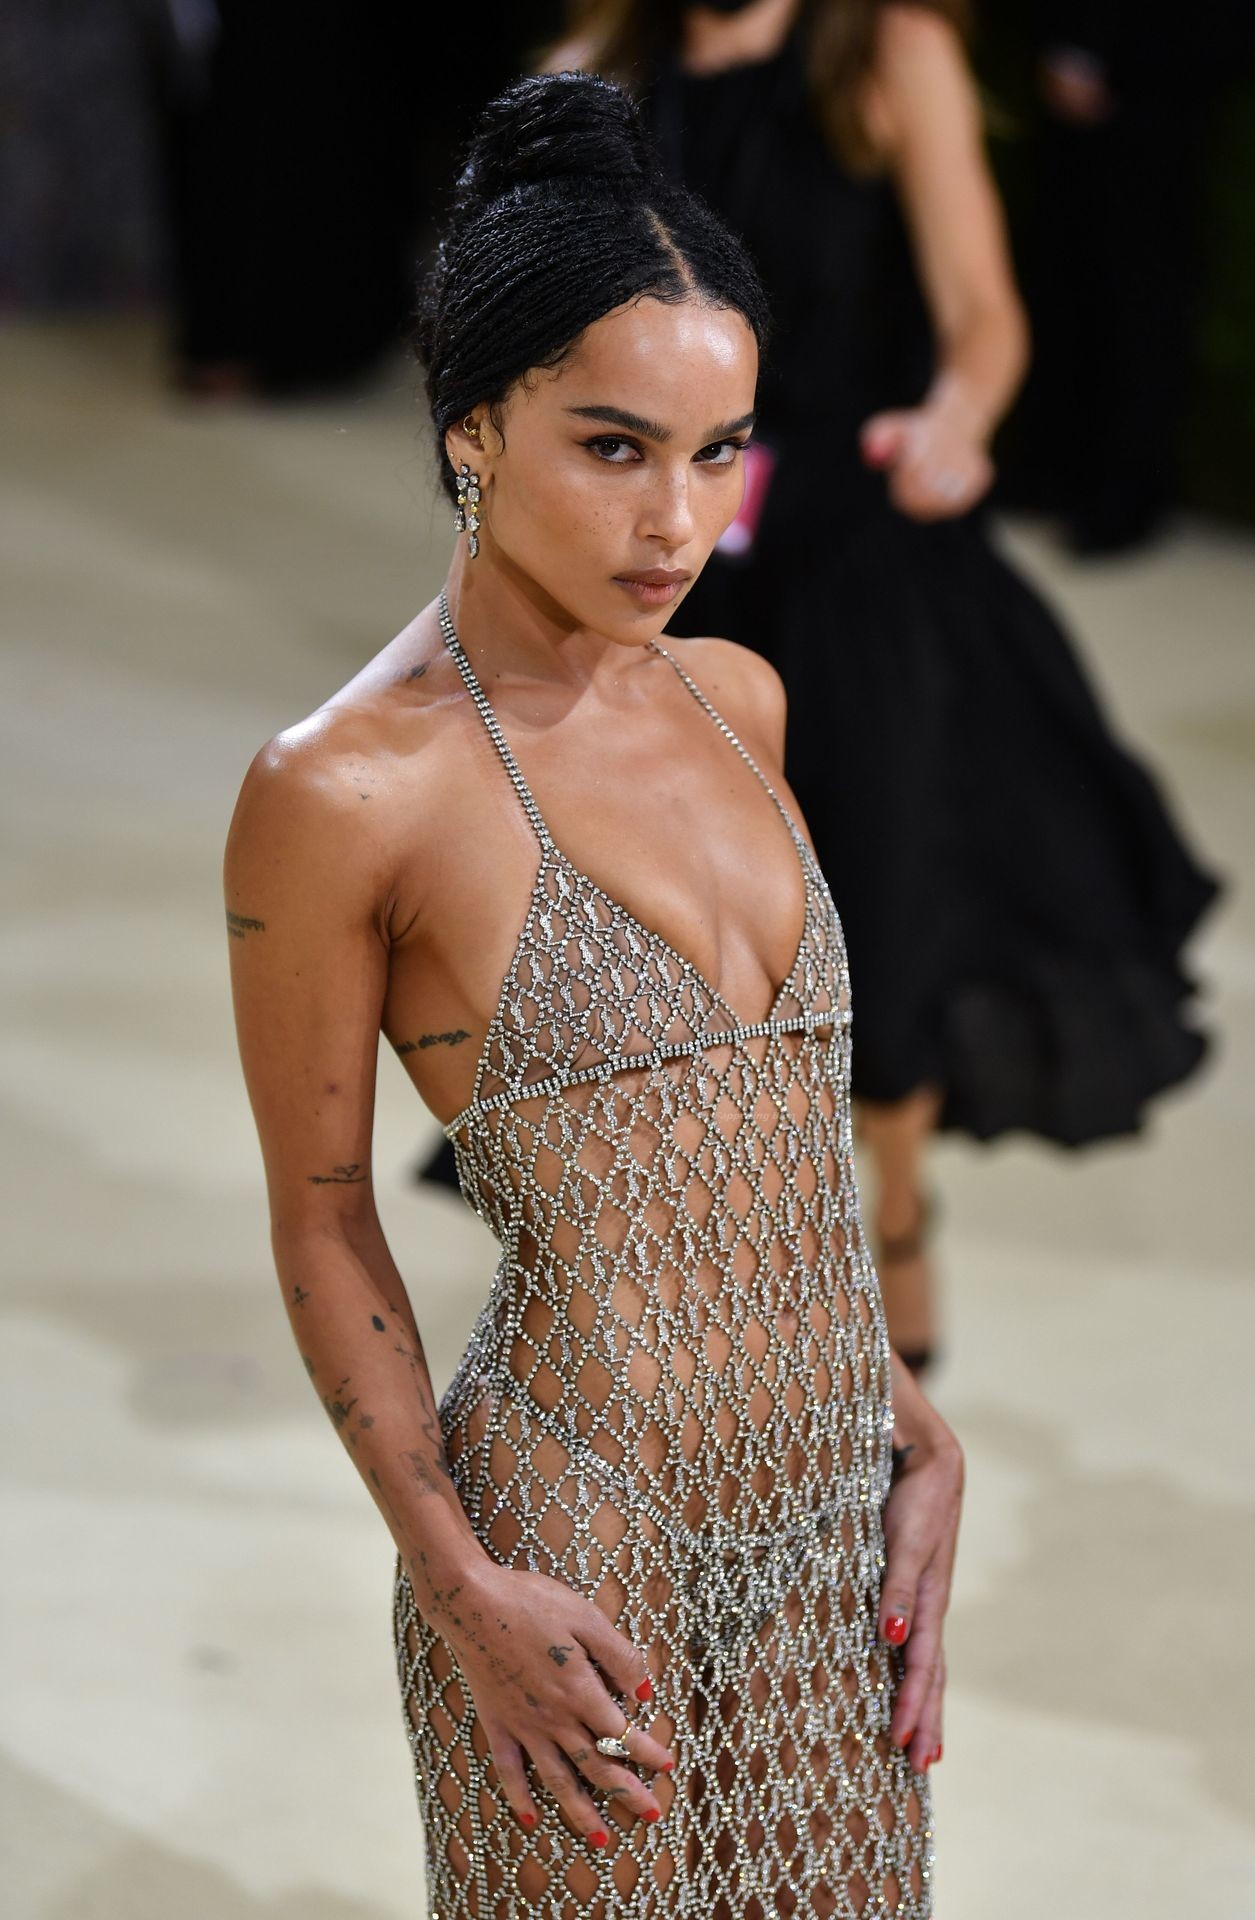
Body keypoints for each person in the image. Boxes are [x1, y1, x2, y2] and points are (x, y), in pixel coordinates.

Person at [225, 71, 963, 1919]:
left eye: (719, 454)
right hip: (572, 1535)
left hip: (827, 1511)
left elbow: (756, 1146)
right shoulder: (345, 791)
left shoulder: (739, 700)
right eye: (614, 448)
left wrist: (904, 1410)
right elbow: (321, 1217)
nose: (677, 521)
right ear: (472, 427)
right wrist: (459, 1583)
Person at [485, 0, 1220, 1373]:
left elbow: (981, 314)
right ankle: (717, 1245)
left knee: (881, 916)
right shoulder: (602, 69)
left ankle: (890, 1213)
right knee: (656, 929)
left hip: (853, 550)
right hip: (668, 561)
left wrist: (959, 419)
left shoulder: (890, 52)